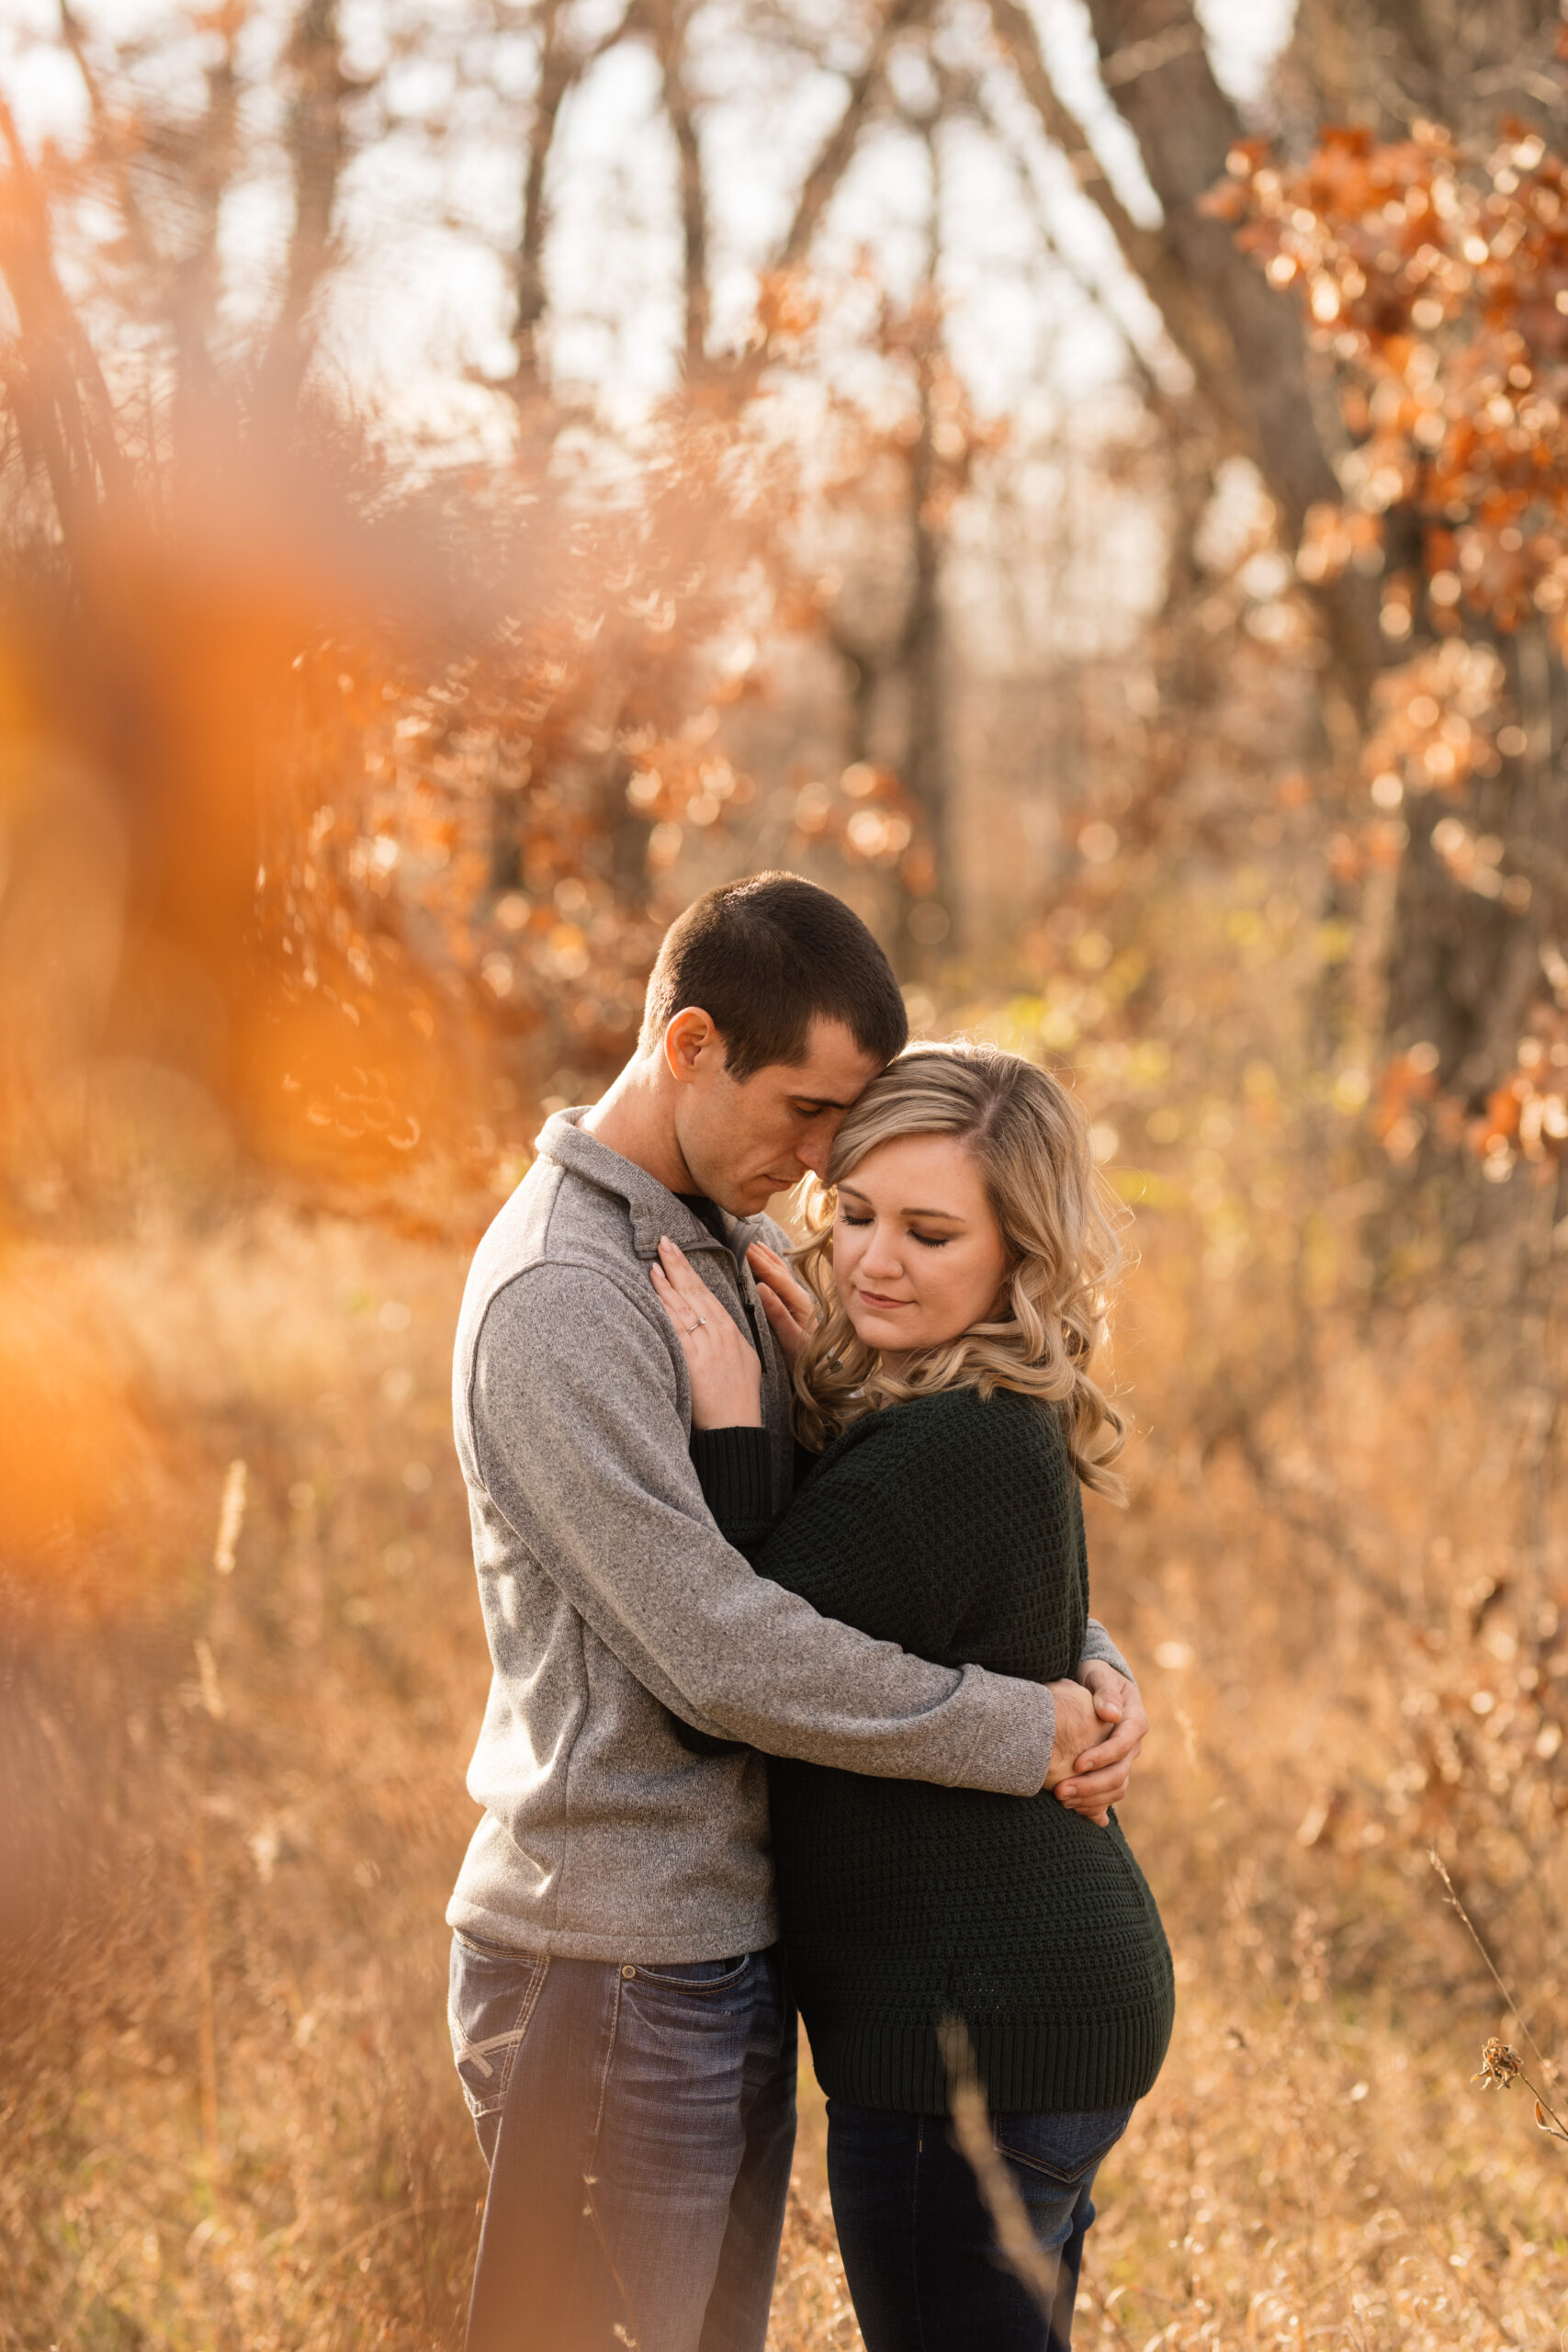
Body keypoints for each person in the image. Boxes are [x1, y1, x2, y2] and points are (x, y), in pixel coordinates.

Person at [446, 873, 1150, 2352]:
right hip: (614, 1949)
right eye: (808, 1115)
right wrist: (1019, 1723)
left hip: (734, 1942)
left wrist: (1082, 1657)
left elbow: (893, 1512)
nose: (828, 1171)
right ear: (692, 1045)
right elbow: (719, 1642)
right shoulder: (568, 1294)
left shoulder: (727, 1230)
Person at [650, 1039, 1174, 2352]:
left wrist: (730, 1431)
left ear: (1021, 1255)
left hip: (978, 2039)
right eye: (860, 1216)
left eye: (931, 1233)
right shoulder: (969, 1404)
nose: (874, 1262)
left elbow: (729, 1664)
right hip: (1044, 2002)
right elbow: (923, 1601)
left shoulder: (948, 1443)